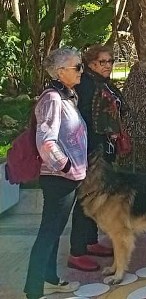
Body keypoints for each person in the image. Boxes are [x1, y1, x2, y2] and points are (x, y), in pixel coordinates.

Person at [24, 47, 87, 299]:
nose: (81, 71)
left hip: (69, 177)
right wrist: (66, 166)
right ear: (60, 72)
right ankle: (33, 289)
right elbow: (47, 140)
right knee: (48, 232)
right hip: (59, 177)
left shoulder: (66, 95)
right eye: (77, 67)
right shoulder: (52, 98)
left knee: (54, 231)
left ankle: (49, 278)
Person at [67, 45, 126, 271]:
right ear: (91, 63)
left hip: (103, 149)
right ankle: (77, 250)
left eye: (110, 61)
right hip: (91, 151)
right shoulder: (88, 85)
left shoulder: (102, 84)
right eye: (103, 62)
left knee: (98, 196)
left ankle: (90, 241)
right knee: (87, 199)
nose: (108, 65)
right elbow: (83, 120)